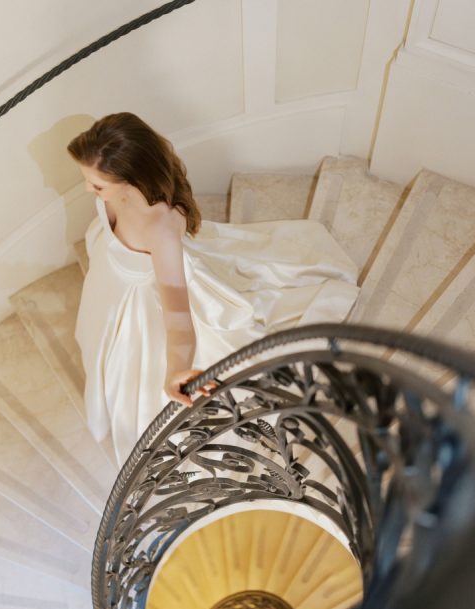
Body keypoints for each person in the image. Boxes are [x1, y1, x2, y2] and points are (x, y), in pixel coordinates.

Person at [67, 112, 358, 465]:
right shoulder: (120, 192)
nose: (89, 190)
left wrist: (176, 369)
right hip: (113, 287)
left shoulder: (159, 229)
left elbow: (178, 318)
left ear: (130, 178)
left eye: (97, 186)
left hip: (143, 304)